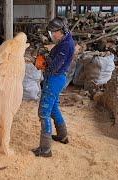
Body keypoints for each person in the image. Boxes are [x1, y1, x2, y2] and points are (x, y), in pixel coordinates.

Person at [32, 16, 75, 157]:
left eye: (53, 32)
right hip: (58, 78)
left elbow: (54, 67)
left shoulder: (66, 45)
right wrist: (46, 56)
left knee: (44, 112)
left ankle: (45, 149)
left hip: (55, 79)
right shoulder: (64, 40)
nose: (51, 35)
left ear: (61, 31)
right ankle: (62, 136)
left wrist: (43, 61)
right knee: (54, 108)